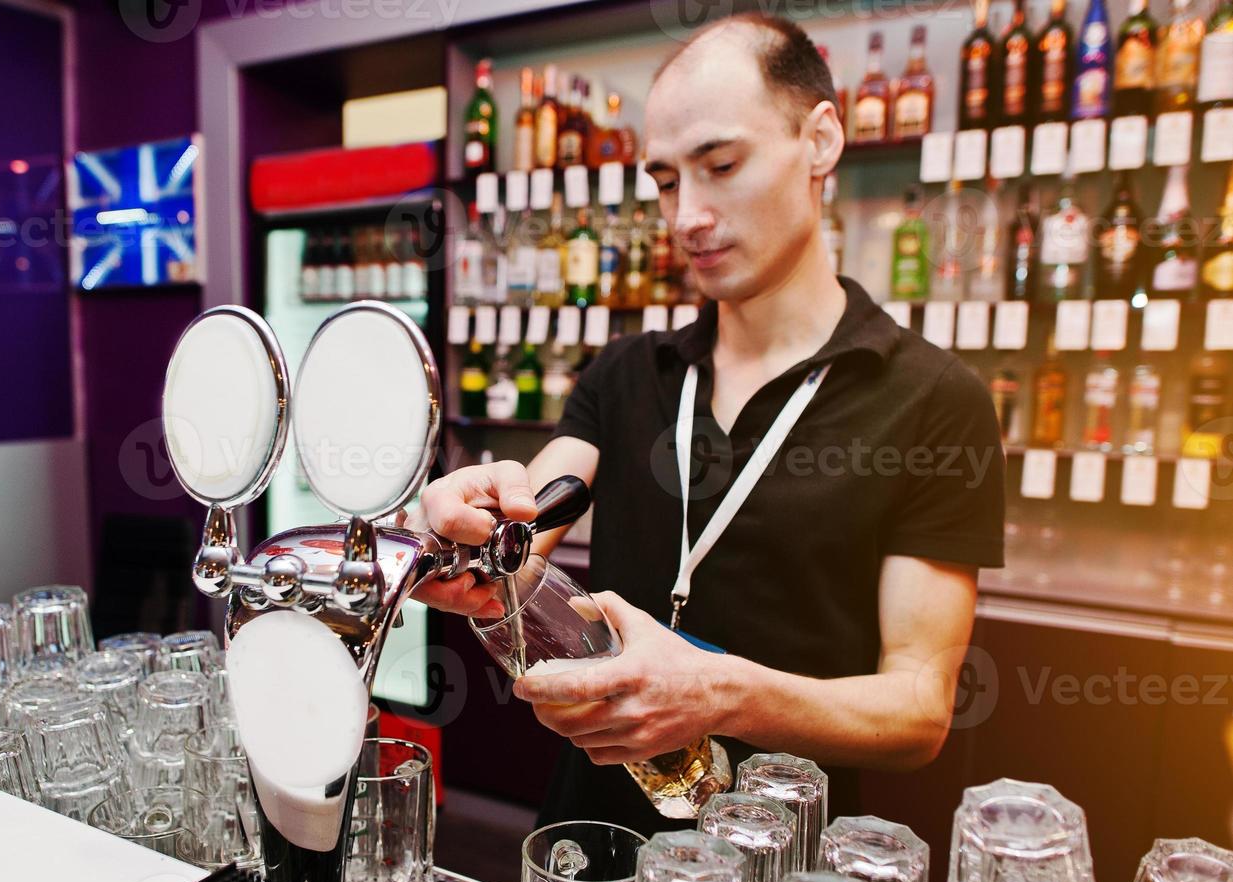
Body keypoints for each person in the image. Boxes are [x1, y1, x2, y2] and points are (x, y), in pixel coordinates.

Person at [411, 14, 1005, 835]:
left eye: (721, 165)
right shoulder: (627, 373)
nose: (686, 215)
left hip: (787, 873)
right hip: (595, 844)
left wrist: (719, 693)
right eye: (663, 181)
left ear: (821, 140)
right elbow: (527, 540)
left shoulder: (934, 400)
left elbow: (917, 712)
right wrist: (475, 544)